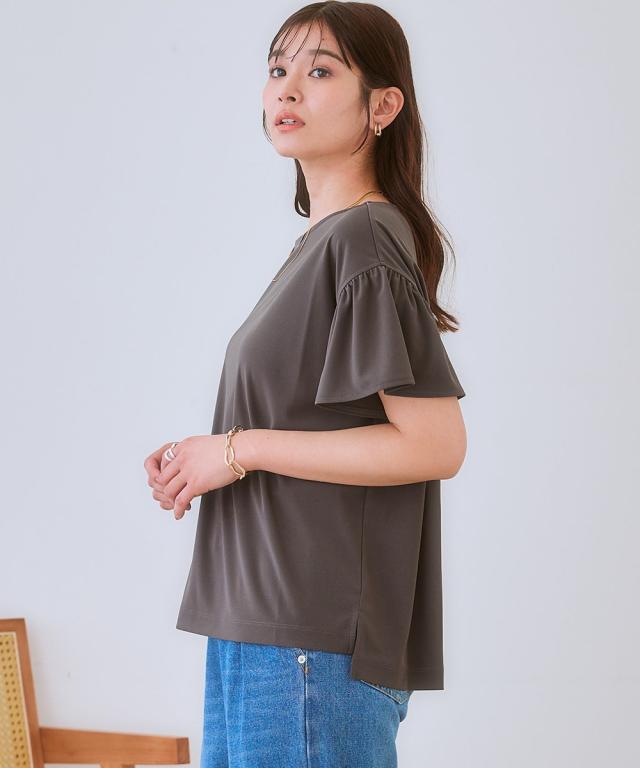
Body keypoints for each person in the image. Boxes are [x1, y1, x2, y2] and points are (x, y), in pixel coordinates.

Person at [143, 3, 468, 766]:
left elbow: (434, 443)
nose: (287, 89)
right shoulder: (324, 244)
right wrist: (204, 459)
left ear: (382, 107)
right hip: (259, 632)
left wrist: (238, 449)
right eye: (277, 69)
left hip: (306, 646)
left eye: (320, 71)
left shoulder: (363, 238)